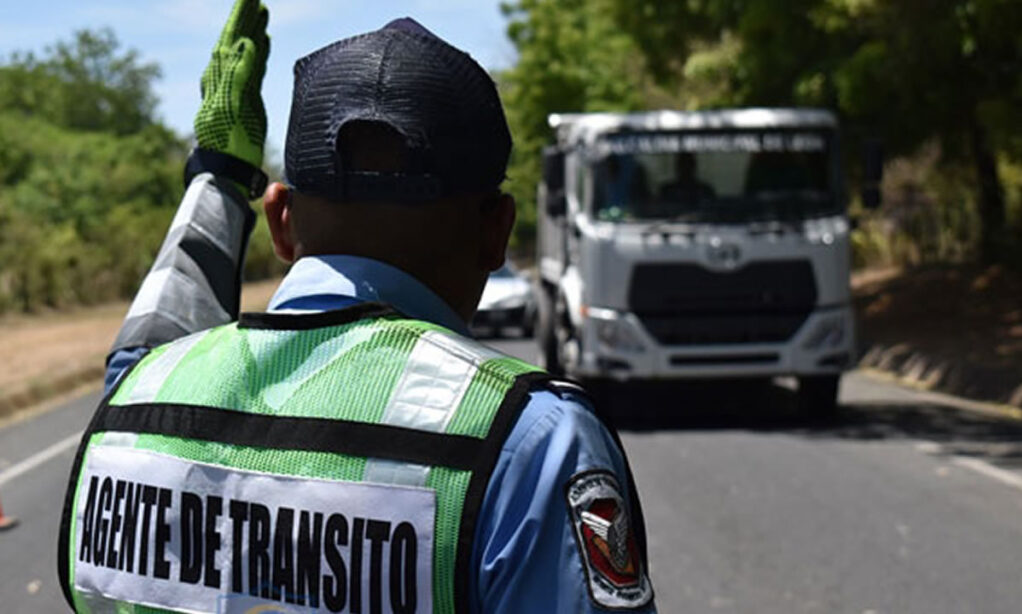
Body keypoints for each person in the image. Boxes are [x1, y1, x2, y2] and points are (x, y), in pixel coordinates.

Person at [58, 2, 655, 612]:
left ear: (280, 222)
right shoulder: (532, 441)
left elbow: (141, 354)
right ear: (497, 230)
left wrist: (216, 178)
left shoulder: (131, 410)